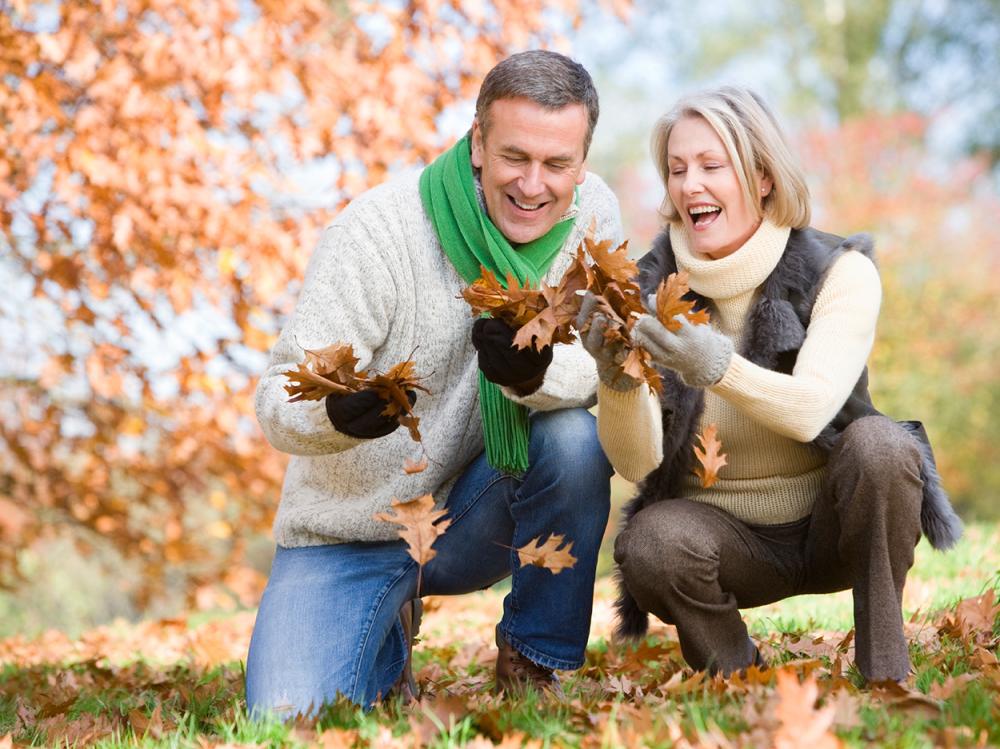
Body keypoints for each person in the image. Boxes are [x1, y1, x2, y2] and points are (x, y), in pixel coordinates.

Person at [247, 50, 623, 715]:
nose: (534, 185)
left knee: (572, 440)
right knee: (288, 712)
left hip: (472, 512)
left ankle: (533, 655)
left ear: (583, 162)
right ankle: (388, 623)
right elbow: (277, 399)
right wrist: (336, 413)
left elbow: (603, 362)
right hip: (352, 525)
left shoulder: (593, 218)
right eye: (515, 156)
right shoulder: (380, 231)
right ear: (477, 143)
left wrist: (536, 373)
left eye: (557, 164)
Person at [578, 86, 961, 683]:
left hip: (835, 521)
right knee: (650, 541)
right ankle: (736, 674)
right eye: (677, 170)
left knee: (883, 447)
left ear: (762, 176)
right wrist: (615, 377)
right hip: (724, 541)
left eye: (712, 165)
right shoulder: (646, 292)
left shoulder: (842, 272)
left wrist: (716, 365)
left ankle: (886, 670)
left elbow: (810, 411)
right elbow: (635, 464)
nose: (689, 185)